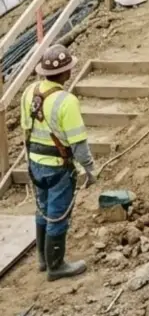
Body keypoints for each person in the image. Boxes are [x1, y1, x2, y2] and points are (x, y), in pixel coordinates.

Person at [20, 44, 96, 281]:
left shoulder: (29, 92)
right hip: (58, 168)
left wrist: (30, 161)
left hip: (35, 164)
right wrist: (90, 170)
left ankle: (43, 259)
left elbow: (25, 129)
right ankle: (56, 265)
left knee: (42, 209)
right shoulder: (67, 101)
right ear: (66, 73)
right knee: (58, 214)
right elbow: (79, 145)